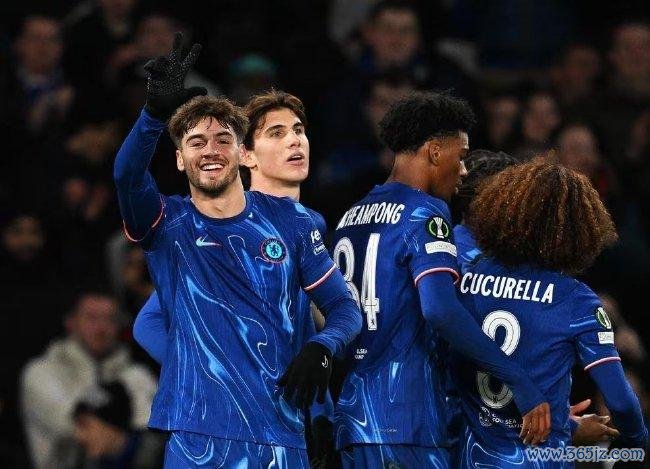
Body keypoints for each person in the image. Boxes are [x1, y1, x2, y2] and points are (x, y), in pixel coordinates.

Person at [113, 33, 361, 467]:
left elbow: (344, 308)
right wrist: (152, 117)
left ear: (241, 152)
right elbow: (127, 176)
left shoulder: (292, 221)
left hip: (281, 434)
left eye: (222, 140)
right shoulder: (166, 223)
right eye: (196, 142)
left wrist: (323, 347)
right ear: (179, 159)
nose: (210, 150)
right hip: (197, 435)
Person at [331, 92, 551, 468]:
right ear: (435, 152)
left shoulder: (351, 215)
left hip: (353, 418)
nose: (463, 171)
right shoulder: (425, 212)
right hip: (406, 419)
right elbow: (440, 310)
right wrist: (518, 380)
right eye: (460, 156)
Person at [452, 158, 647, 467]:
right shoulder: (578, 301)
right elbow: (621, 402)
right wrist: (637, 440)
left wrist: (566, 424)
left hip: (470, 457)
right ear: (580, 229)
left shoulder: (467, 279)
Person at [20, 291, 158, 468]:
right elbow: (82, 431)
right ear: (71, 322)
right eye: (92, 318)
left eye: (110, 319)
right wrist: (126, 442)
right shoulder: (41, 372)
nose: (101, 327)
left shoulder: (137, 376)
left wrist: (132, 444)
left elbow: (154, 437)